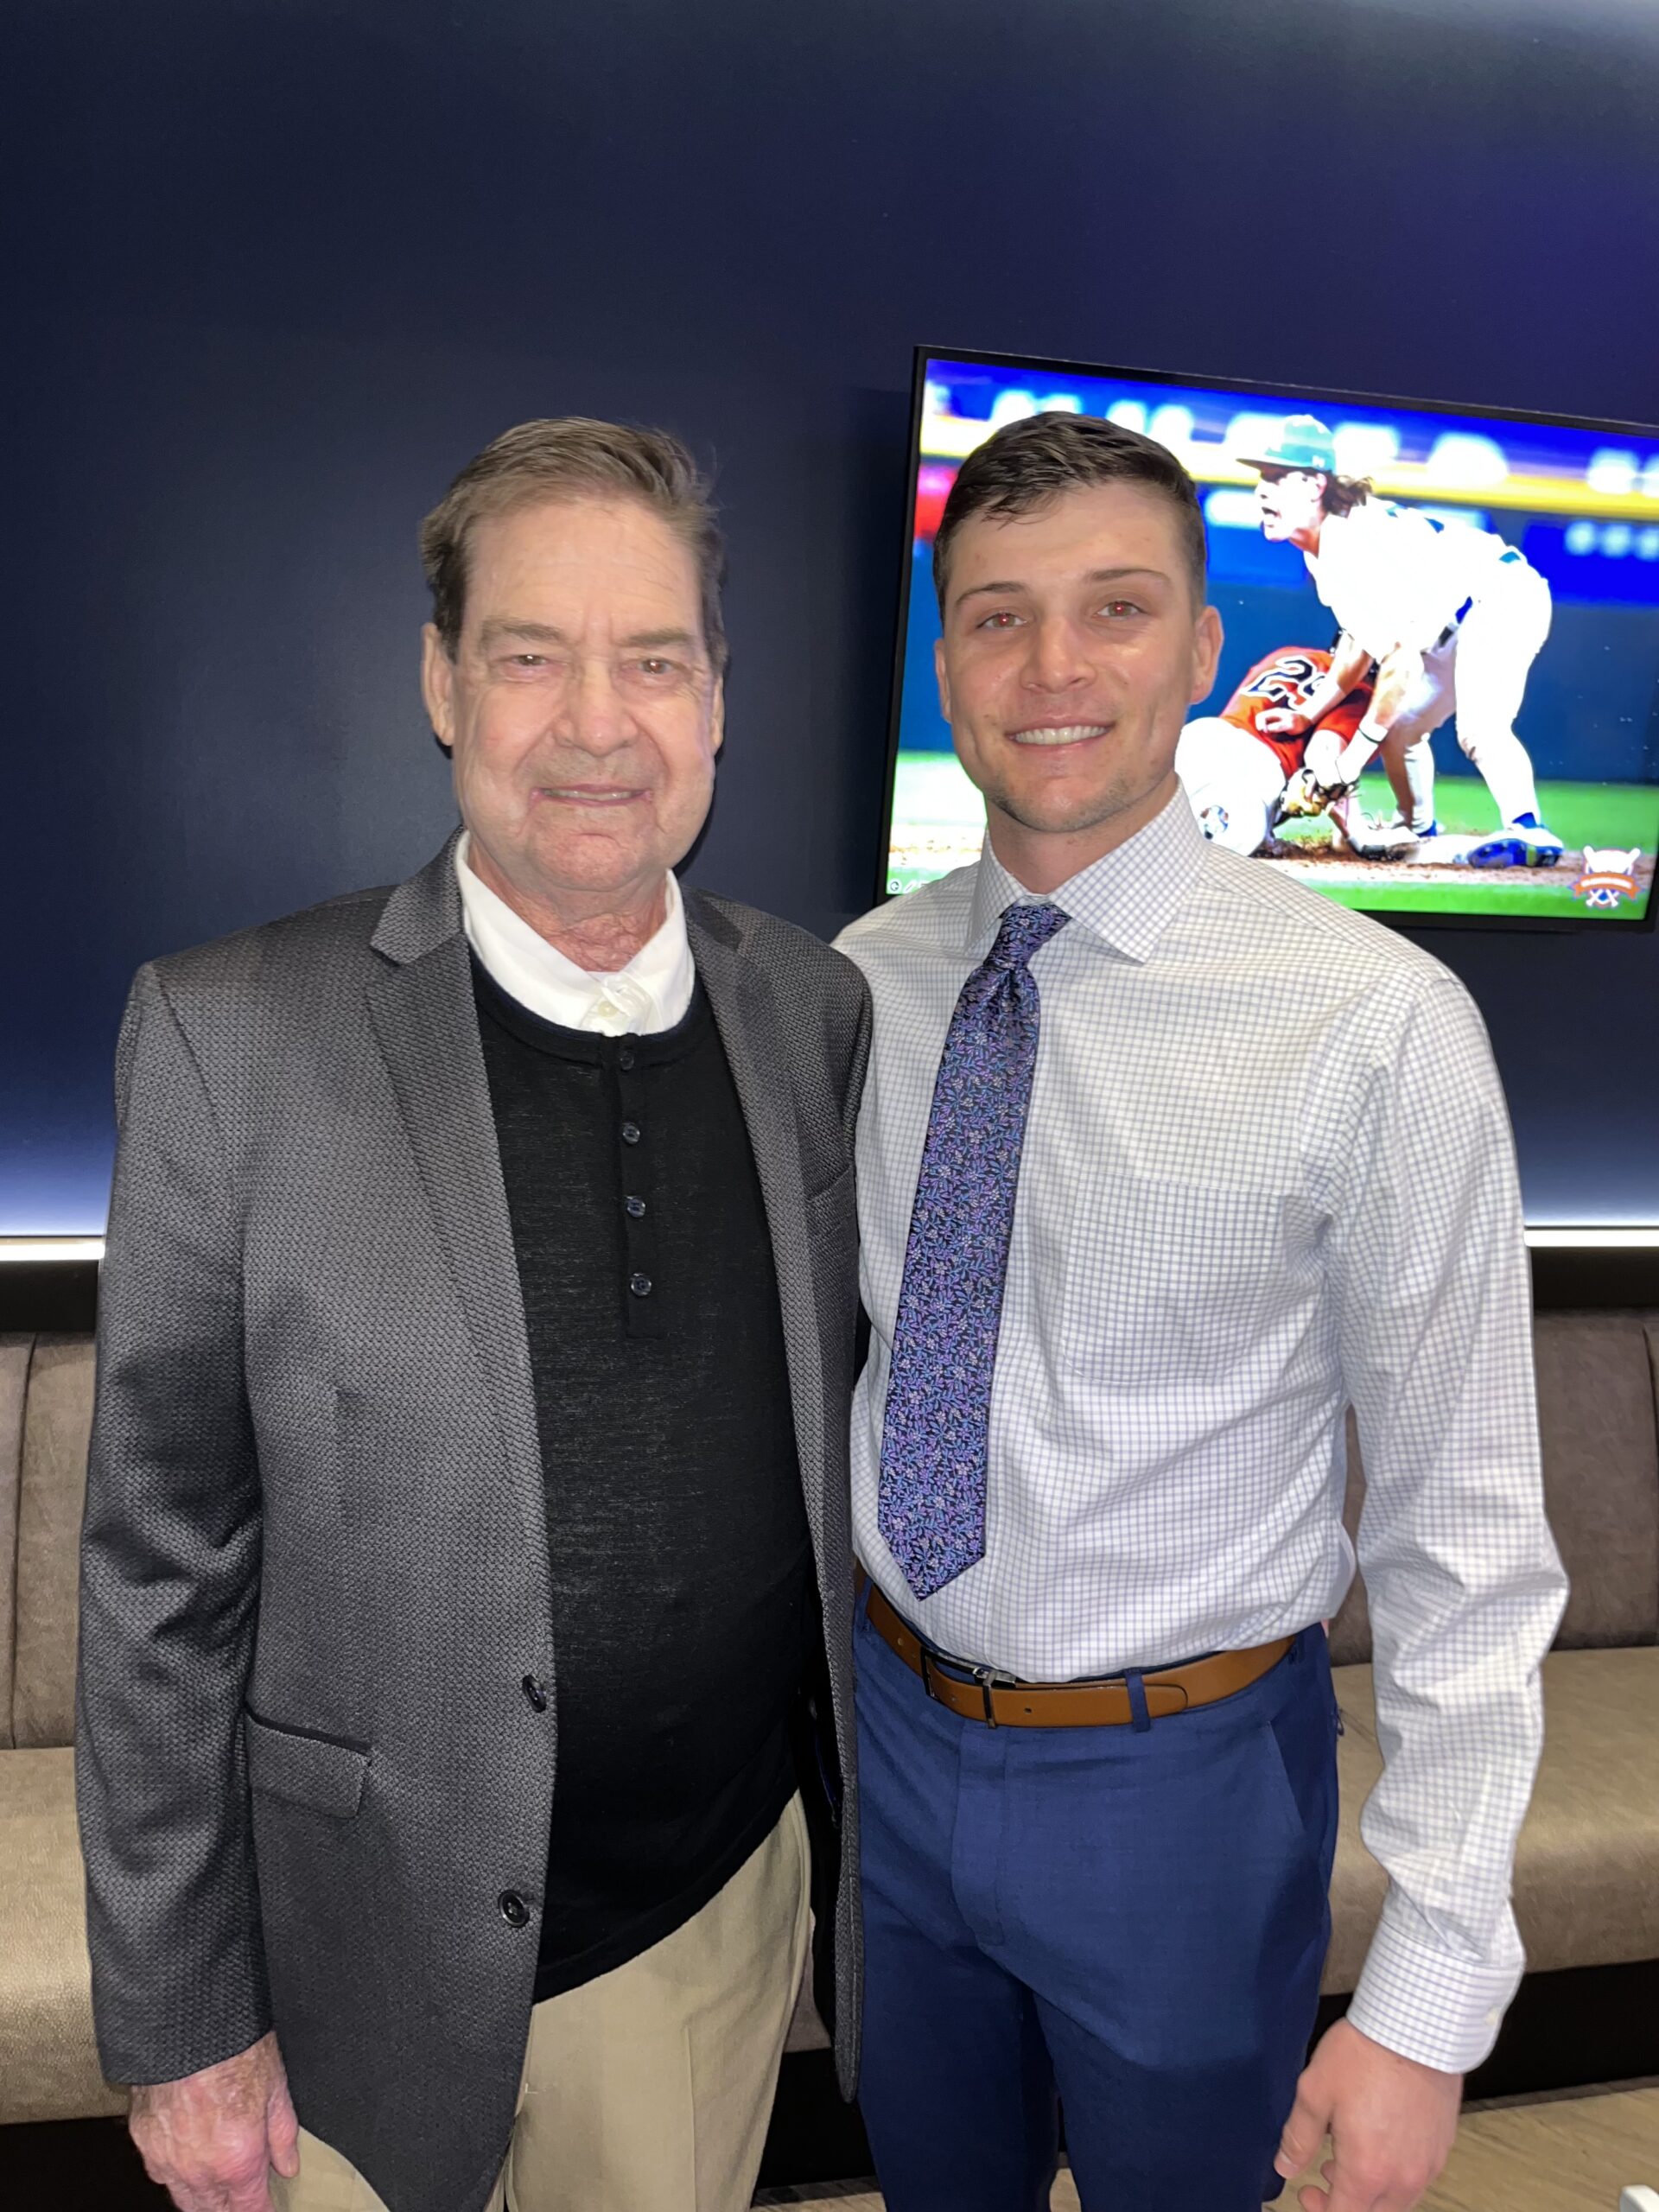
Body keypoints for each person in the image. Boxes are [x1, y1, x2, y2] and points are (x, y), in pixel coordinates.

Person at [75, 416, 870, 2212]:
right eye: (531, 653)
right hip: (345, 1974)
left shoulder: (811, 1014)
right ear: (444, 683)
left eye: (654, 658)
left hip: (697, 1934)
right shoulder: (233, 1036)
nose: (600, 721)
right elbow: (156, 1572)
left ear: (719, 699)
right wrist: (183, 2014)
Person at [836, 410, 1567, 2212]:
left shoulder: (1376, 1024)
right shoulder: (860, 984)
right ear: (946, 658)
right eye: (998, 614)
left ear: (1205, 649)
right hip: (889, 1753)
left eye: (1117, 607)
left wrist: (1427, 1994)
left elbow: (1465, 1529)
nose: (1055, 664)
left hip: (1183, 1785)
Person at [1241, 414, 1564, 868]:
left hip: (1499, 597)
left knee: (1480, 728)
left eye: (1276, 477)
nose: (1261, 489)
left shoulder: (1350, 541)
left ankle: (1528, 828)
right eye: (1261, 477)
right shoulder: (1324, 550)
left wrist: (1347, 766)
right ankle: (1418, 830)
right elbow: (1359, 643)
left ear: (1315, 485)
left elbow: (1401, 662)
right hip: (1447, 626)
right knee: (1401, 727)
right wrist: (1306, 714)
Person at [1174, 642, 1415, 860]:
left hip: (1198, 738)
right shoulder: (1361, 694)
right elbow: (1324, 755)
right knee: (1203, 862)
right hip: (1254, 774)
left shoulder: (1287, 654)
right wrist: (1357, 833)